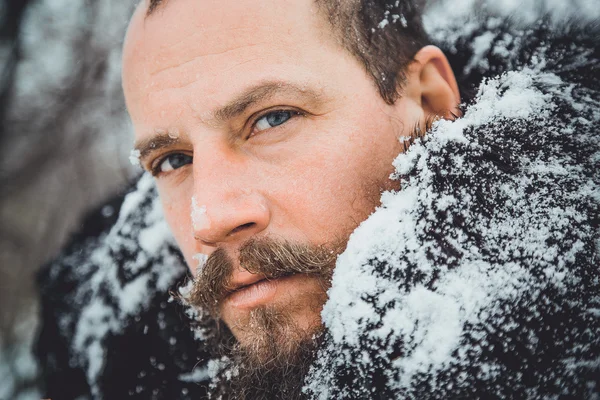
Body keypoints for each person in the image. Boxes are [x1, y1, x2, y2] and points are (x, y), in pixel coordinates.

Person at [37, 0, 599, 399]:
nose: (210, 218)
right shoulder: (112, 371)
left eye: (272, 119)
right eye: (173, 161)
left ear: (427, 102)